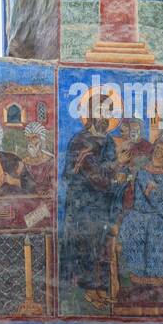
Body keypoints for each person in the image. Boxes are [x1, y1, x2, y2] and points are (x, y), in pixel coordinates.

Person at [59, 113, 130, 304]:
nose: (105, 117)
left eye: (109, 113)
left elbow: (111, 169)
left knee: (102, 246)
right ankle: (89, 291)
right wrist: (118, 166)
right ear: (90, 115)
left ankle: (100, 288)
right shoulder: (81, 141)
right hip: (83, 203)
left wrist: (120, 173)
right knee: (88, 245)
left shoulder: (107, 140)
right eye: (101, 112)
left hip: (103, 202)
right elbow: (94, 174)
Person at [117, 140, 163, 287]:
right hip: (142, 217)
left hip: (162, 216)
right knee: (157, 229)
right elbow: (155, 199)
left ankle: (161, 284)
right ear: (153, 150)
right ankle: (144, 283)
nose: (159, 153)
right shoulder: (143, 173)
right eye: (158, 149)